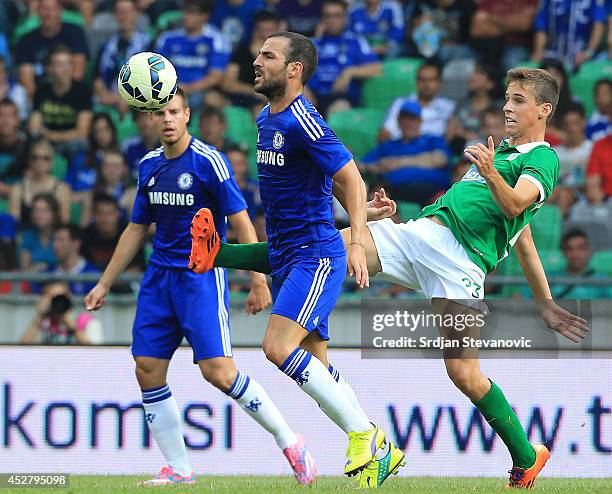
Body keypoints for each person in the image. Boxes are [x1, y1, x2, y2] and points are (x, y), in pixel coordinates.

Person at [190, 67, 590, 488]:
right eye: (507, 98)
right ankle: (218, 252)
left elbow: (515, 211)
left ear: (544, 110)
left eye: (518, 101)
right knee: (322, 245)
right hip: (421, 235)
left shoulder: (542, 158)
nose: (507, 107)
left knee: (464, 375)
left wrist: (491, 175)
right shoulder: (503, 152)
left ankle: (527, 457)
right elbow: (521, 233)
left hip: (462, 264)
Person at [189, 31, 405, 486]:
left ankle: (365, 435)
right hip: (290, 254)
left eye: (268, 55)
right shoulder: (268, 116)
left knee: (277, 347)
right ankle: (380, 448)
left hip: (315, 258)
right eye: (258, 53)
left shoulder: (302, 119)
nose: (256, 60)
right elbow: (318, 195)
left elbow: (350, 177)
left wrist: (356, 238)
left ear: (294, 70)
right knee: (317, 368)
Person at [84, 88, 315, 487]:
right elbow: (138, 227)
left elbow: (241, 220)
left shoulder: (210, 162)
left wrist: (258, 279)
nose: (168, 119)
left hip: (202, 277)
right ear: (151, 121)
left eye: (174, 111)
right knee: (147, 369)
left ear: (187, 114)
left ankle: (290, 441)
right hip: (159, 279)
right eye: (160, 113)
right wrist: (105, 281)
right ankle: (179, 468)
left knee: (219, 373)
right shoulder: (149, 165)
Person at [361, 100, 451, 205]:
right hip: (394, 193)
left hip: (432, 191)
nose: (408, 123)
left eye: (412, 119)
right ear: (398, 121)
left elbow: (441, 159)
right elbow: (364, 165)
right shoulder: (388, 146)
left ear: (420, 121)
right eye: (404, 119)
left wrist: (399, 162)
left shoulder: (432, 140)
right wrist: (378, 166)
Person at [307, 0, 381, 116]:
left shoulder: (355, 41)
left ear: (345, 18)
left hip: (342, 98)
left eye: (336, 16)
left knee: (338, 110)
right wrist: (301, 88)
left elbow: (377, 68)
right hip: (313, 98)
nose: (332, 20)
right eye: (328, 16)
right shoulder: (312, 43)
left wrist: (349, 72)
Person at [155, 0, 231, 110]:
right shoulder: (167, 38)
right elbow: (157, 70)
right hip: (169, 91)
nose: (186, 16)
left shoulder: (216, 40)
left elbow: (216, 76)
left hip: (201, 92)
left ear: (204, 16)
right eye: (185, 12)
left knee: (209, 99)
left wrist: (188, 88)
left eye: (191, 13)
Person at [28, 44, 93, 160]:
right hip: (44, 144)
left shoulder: (83, 91)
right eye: (59, 64)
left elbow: (82, 133)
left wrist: (53, 135)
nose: (64, 69)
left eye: (67, 64)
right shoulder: (42, 91)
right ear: (49, 68)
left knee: (81, 144)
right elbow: (33, 127)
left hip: (70, 144)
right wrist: (45, 136)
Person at [15, 0, 89, 99]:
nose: (48, 14)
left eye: (52, 9)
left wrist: (63, 98)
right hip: (39, 96)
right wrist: (40, 101)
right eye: (44, 9)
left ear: (60, 11)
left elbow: (77, 73)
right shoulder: (26, 40)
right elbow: (27, 81)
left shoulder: (75, 33)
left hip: (71, 94)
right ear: (37, 11)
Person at [94, 0, 151, 116]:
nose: (124, 16)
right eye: (120, 12)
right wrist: (104, 95)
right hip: (109, 97)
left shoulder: (148, 44)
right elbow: (97, 77)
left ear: (136, 13)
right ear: (115, 16)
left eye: (128, 12)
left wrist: (125, 98)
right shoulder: (106, 46)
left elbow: (150, 79)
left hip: (138, 97)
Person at [524, 228, 612, 300]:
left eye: (581, 248)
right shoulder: (548, 279)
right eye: (570, 249)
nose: (575, 254)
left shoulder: (602, 281)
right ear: (563, 252)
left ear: (589, 251)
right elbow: (520, 298)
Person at [379, 62, 455, 142]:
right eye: (422, 80)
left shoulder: (449, 106)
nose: (427, 84)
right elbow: (385, 133)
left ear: (439, 83)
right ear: (416, 82)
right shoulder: (400, 103)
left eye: (431, 80)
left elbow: (449, 137)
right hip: (401, 148)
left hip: (432, 151)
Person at [222, 9, 281, 108]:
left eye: (270, 30)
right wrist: (254, 91)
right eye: (261, 30)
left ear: (278, 30)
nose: (265, 35)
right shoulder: (242, 52)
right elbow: (227, 83)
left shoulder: (284, 54)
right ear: (254, 30)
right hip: (244, 98)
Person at [8, 138, 72, 226]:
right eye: (35, 157)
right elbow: (13, 220)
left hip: (52, 236)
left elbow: (64, 221)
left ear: (52, 162)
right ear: (29, 161)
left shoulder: (62, 188)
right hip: (25, 236)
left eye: (45, 158)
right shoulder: (18, 187)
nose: (40, 162)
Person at [21, 281, 103, 344]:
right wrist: (38, 317)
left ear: (69, 298)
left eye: (60, 298)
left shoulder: (87, 322)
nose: (58, 303)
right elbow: (22, 350)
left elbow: (97, 353)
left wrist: (73, 327)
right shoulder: (43, 322)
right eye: (53, 298)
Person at [532, 0, 606, 69]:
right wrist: (539, 50)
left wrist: (588, 52)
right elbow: (541, 26)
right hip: (553, 54)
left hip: (581, 54)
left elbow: (598, 24)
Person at [50, 224, 100, 296]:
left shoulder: (93, 274)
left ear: (76, 243)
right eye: (54, 240)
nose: (55, 245)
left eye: (61, 240)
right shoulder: (48, 271)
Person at [18, 193, 60, 272]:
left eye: (43, 211)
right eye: (35, 210)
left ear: (54, 214)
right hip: (33, 282)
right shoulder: (28, 236)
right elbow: (24, 271)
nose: (38, 215)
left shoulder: (62, 235)